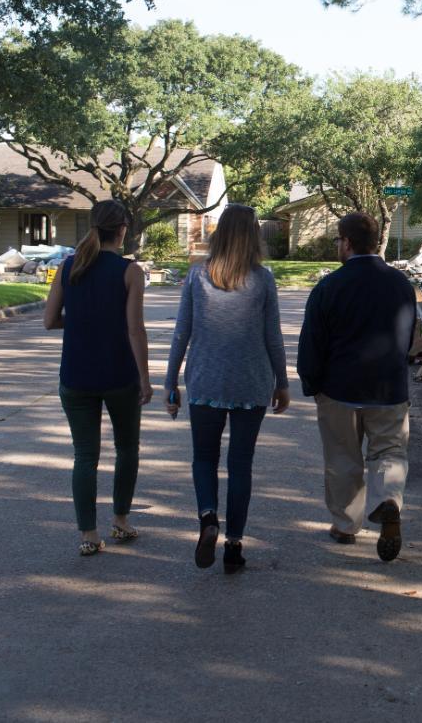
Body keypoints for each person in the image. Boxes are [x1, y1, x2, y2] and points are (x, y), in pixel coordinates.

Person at [164, 204, 289, 575]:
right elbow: (273, 338)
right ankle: (234, 545)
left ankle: (207, 519)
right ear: (254, 235)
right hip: (251, 384)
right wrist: (282, 383)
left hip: (205, 382)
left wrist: (170, 382)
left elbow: (180, 333)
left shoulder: (197, 276)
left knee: (204, 458)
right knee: (240, 465)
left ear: (219, 234)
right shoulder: (263, 279)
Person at [297, 212, 416, 562]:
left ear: (346, 243)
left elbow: (312, 343)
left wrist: (312, 382)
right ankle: (388, 502)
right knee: (389, 453)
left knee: (343, 459)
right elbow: (409, 335)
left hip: (339, 389)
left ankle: (347, 525)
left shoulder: (329, 286)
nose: (337, 246)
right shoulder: (400, 284)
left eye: (338, 240)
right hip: (389, 388)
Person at [44, 200, 152, 557]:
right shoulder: (130, 271)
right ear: (122, 229)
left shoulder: (69, 266)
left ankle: (88, 534)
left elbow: (50, 320)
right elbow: (135, 330)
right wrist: (146, 379)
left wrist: (82, 321)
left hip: (75, 375)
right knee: (127, 449)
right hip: (119, 374)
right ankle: (120, 521)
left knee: (85, 455)